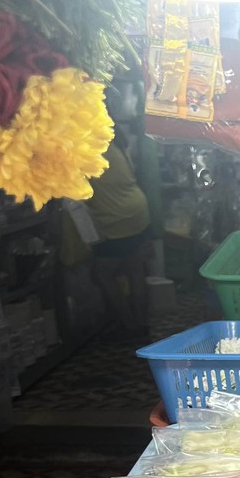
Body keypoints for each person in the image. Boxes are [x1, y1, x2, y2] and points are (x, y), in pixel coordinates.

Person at [86, 85, 152, 335]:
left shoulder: (88, 150)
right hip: (138, 211)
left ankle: (128, 326)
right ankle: (142, 325)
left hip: (116, 220)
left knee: (102, 275)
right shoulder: (115, 143)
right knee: (136, 271)